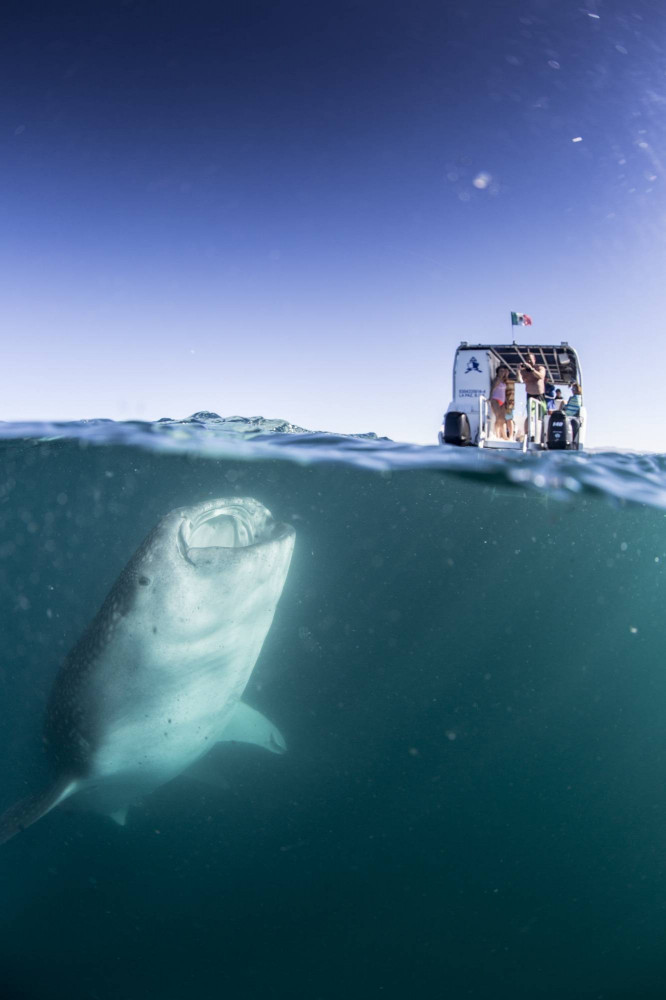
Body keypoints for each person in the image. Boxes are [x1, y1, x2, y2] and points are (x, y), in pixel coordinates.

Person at [489, 365, 509, 438]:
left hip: (502, 401)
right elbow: (493, 389)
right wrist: (490, 398)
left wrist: (506, 401)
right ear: (497, 372)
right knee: (498, 417)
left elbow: (503, 392)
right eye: (501, 371)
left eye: (503, 371)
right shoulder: (497, 379)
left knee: (502, 418)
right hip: (495, 399)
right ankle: (497, 435)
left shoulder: (503, 381)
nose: (502, 372)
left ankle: (502, 435)